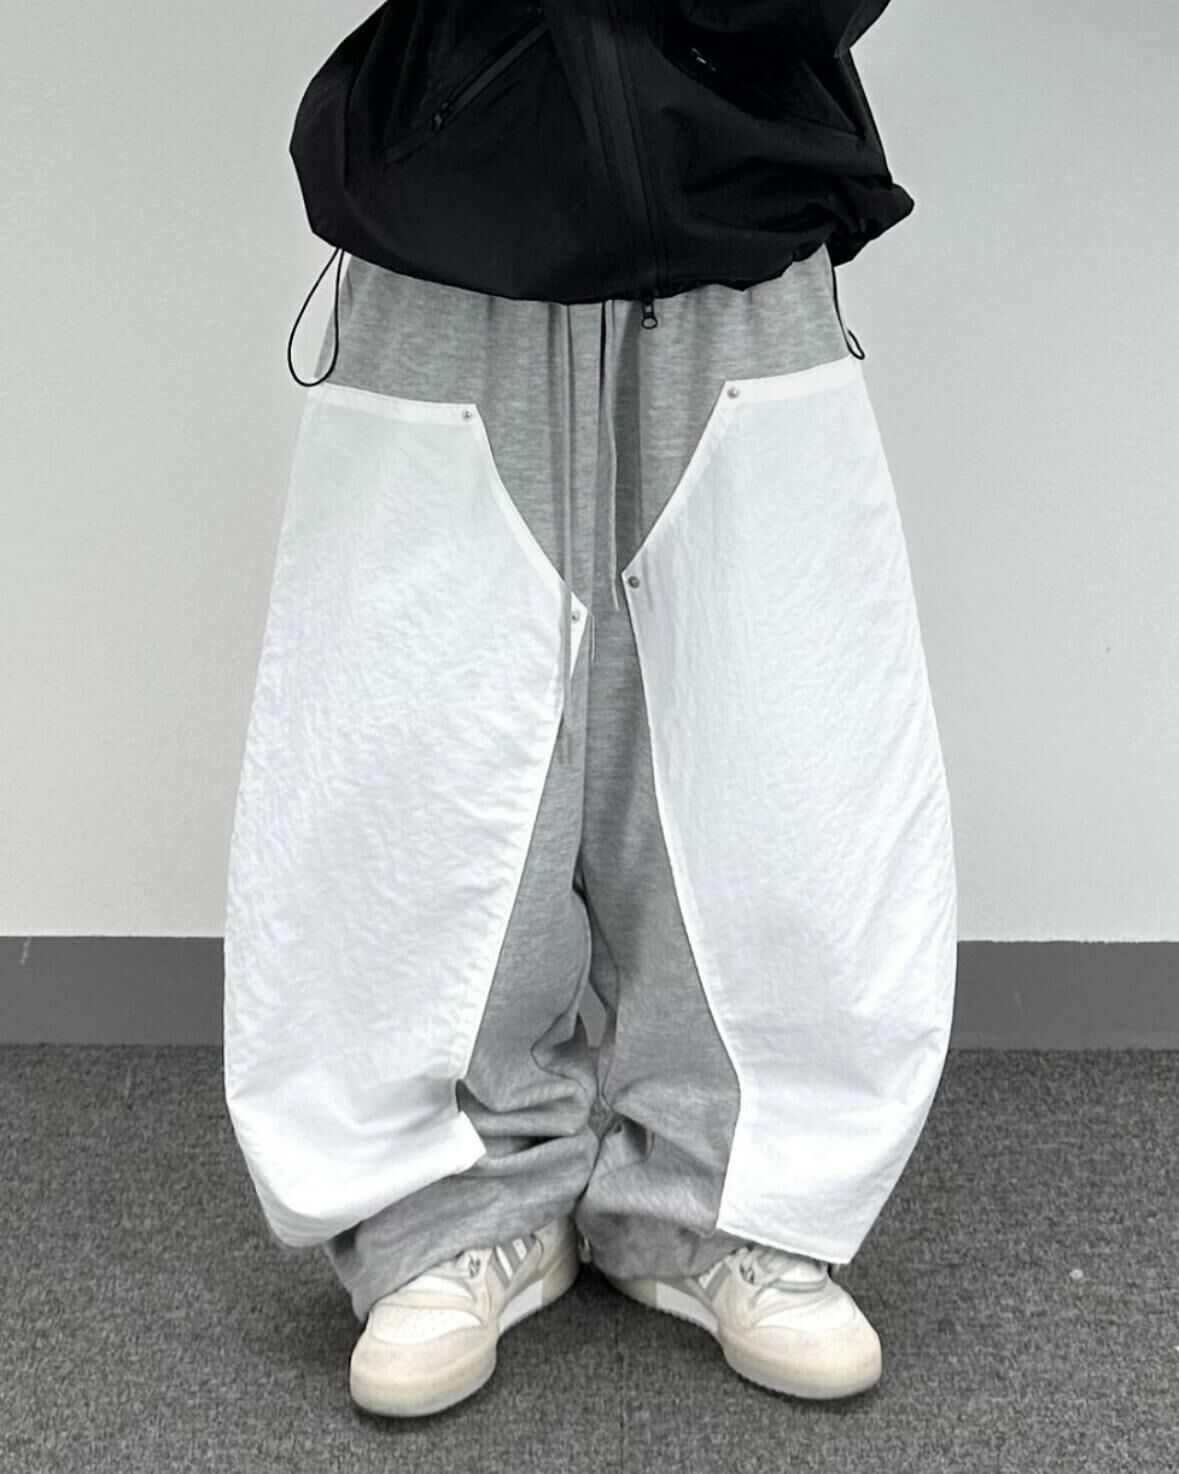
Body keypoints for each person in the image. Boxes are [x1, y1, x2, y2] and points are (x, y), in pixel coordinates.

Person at [222, 0, 957, 1418]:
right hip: (458, 173)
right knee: (424, 723)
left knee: (764, 712)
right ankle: (448, 1203)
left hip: (740, 158)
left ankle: (730, 1199)